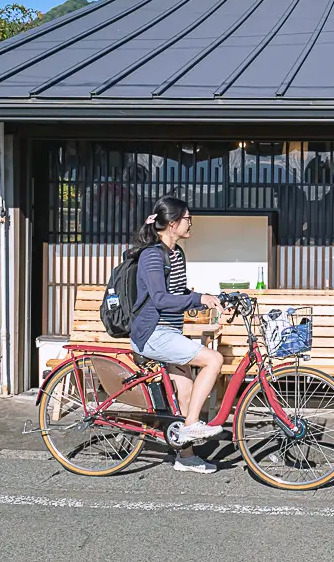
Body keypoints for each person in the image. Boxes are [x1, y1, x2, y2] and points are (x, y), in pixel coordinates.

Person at [130, 195, 225, 474]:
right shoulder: (151, 255)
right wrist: (199, 298)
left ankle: (185, 456)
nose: (190, 222)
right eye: (187, 219)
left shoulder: (176, 254)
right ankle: (192, 426)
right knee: (214, 360)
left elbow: (180, 294)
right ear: (172, 224)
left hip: (170, 331)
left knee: (186, 397)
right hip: (152, 334)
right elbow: (160, 299)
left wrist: (209, 299)